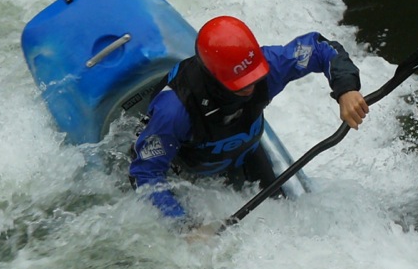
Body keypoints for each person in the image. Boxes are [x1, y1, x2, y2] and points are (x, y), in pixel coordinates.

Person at [128, 15, 369, 223]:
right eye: (243, 85)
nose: (253, 87)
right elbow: (146, 174)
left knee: (287, 217)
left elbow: (319, 47)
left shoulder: (267, 67)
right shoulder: (174, 111)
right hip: (187, 171)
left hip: (246, 154)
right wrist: (182, 226)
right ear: (215, 80)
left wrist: (345, 88)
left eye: (255, 78)